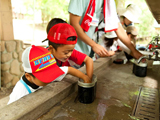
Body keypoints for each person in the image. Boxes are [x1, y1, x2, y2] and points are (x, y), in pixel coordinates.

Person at [8, 45, 91, 104]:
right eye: (45, 76)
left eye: (51, 73)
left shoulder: (49, 72)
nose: (51, 77)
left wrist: (84, 77)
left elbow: (68, 69)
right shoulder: (19, 92)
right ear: (28, 77)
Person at [68, 0, 143, 60]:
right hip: (72, 48)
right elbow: (74, 24)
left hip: (86, 50)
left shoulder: (109, 2)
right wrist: (93, 44)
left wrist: (134, 51)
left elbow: (118, 28)